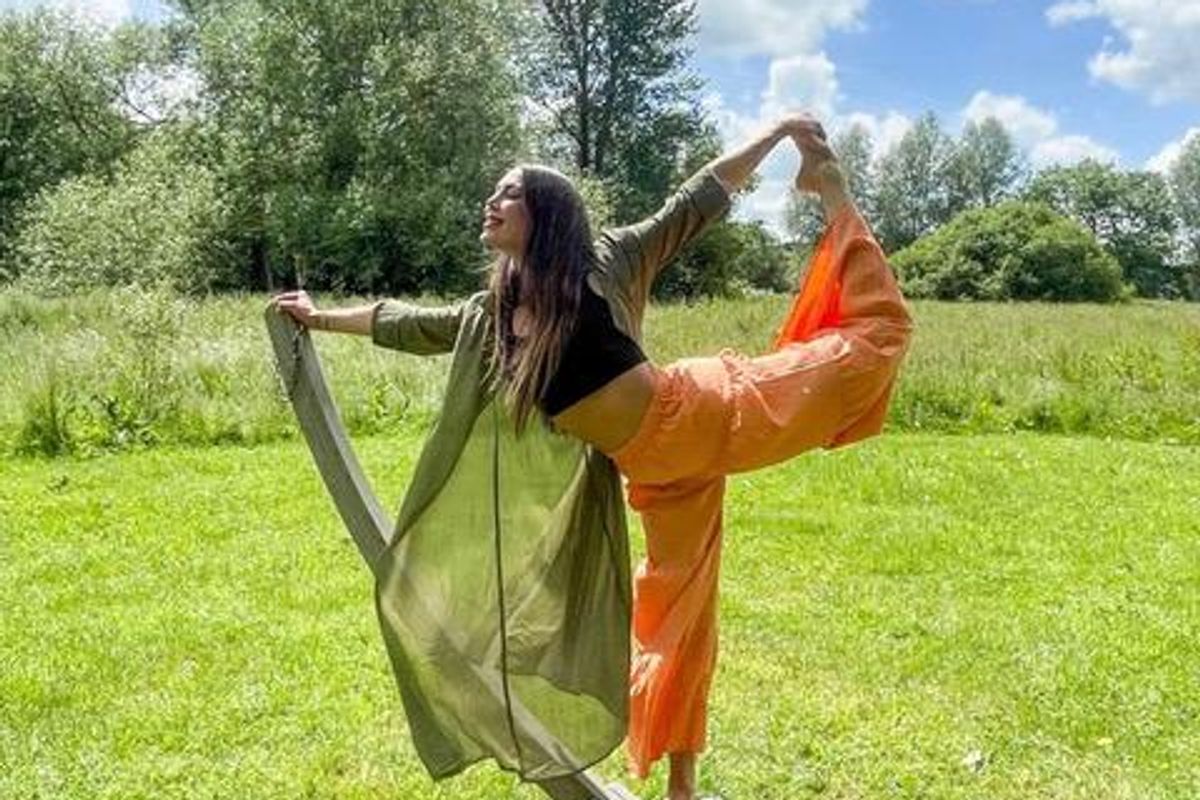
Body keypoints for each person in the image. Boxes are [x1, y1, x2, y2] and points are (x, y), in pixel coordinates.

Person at [273, 113, 912, 800]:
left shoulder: (605, 263)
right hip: (656, 470)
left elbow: (694, 202)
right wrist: (321, 316)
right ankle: (683, 790)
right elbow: (411, 322)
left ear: (547, 212)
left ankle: (834, 189)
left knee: (880, 335)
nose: (492, 202)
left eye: (510, 192)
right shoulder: (495, 313)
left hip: (710, 410)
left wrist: (783, 131)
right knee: (679, 617)